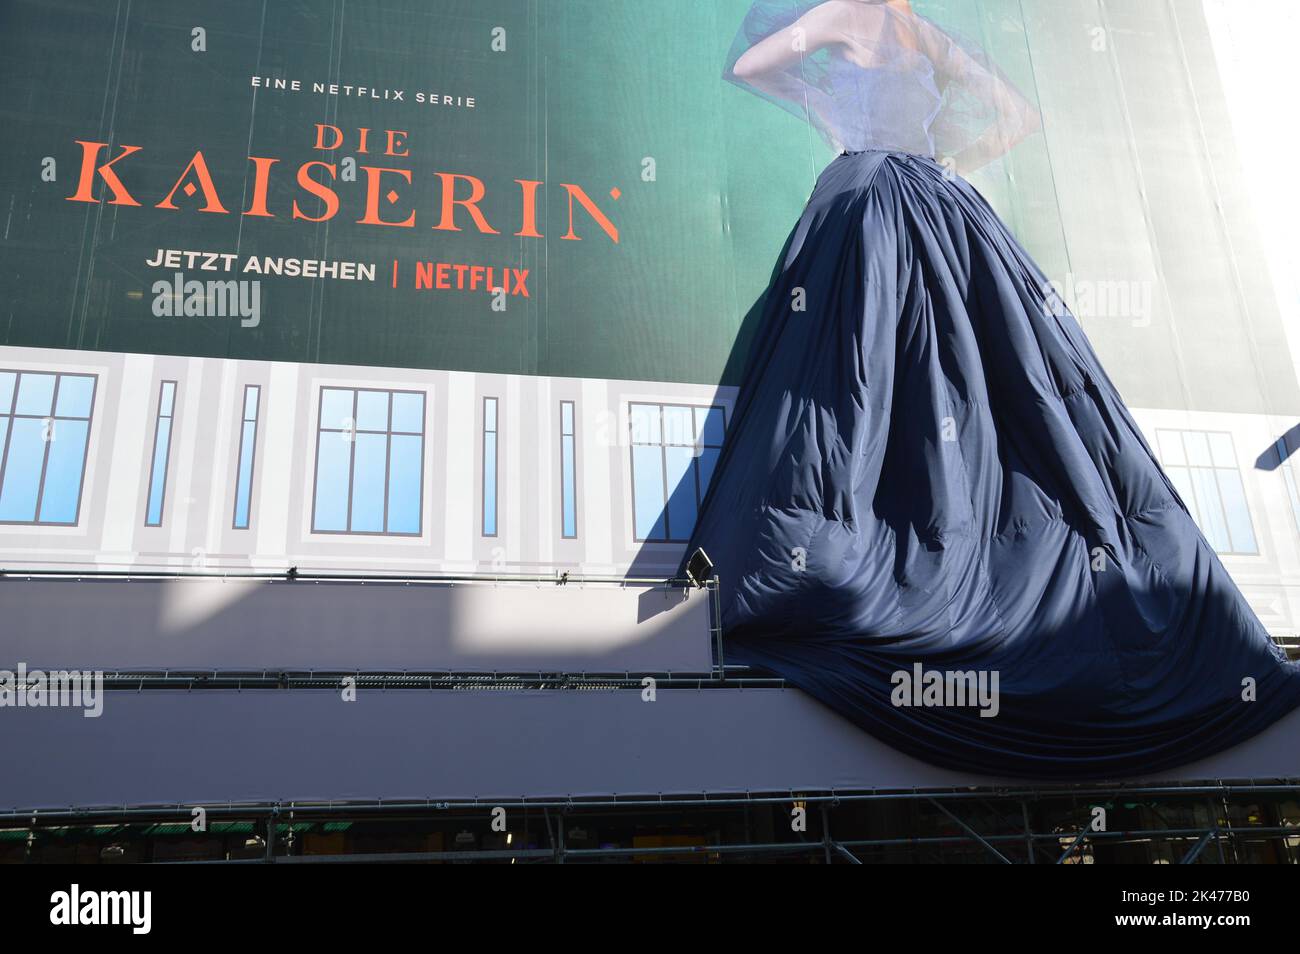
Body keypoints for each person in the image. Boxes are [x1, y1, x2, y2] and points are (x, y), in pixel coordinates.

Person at [684, 0, 1300, 779]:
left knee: (859, 375)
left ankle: (862, 560)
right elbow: (1018, 114)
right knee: (1006, 385)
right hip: (950, 207)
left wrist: (828, 109)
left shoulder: (851, 13)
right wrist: (945, 160)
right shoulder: (926, 34)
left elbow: (748, 66)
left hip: (871, 197)